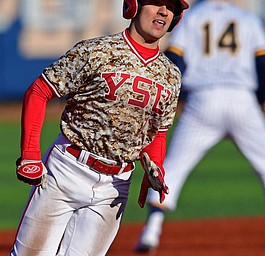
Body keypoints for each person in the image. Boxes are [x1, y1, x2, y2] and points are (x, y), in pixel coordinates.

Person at [10, 0, 189, 255]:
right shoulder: (96, 51)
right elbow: (39, 91)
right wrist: (29, 154)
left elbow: (158, 131)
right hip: (67, 170)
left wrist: (155, 168)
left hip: (116, 186)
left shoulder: (171, 75)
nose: (163, 11)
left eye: (171, 7)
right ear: (133, 6)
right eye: (156, 2)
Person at [135, 0, 265, 252]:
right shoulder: (246, 18)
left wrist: (176, 96)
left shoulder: (192, 16)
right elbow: (263, 62)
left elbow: (175, 59)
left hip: (202, 100)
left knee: (173, 166)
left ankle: (152, 230)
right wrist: (262, 98)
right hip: (242, 99)